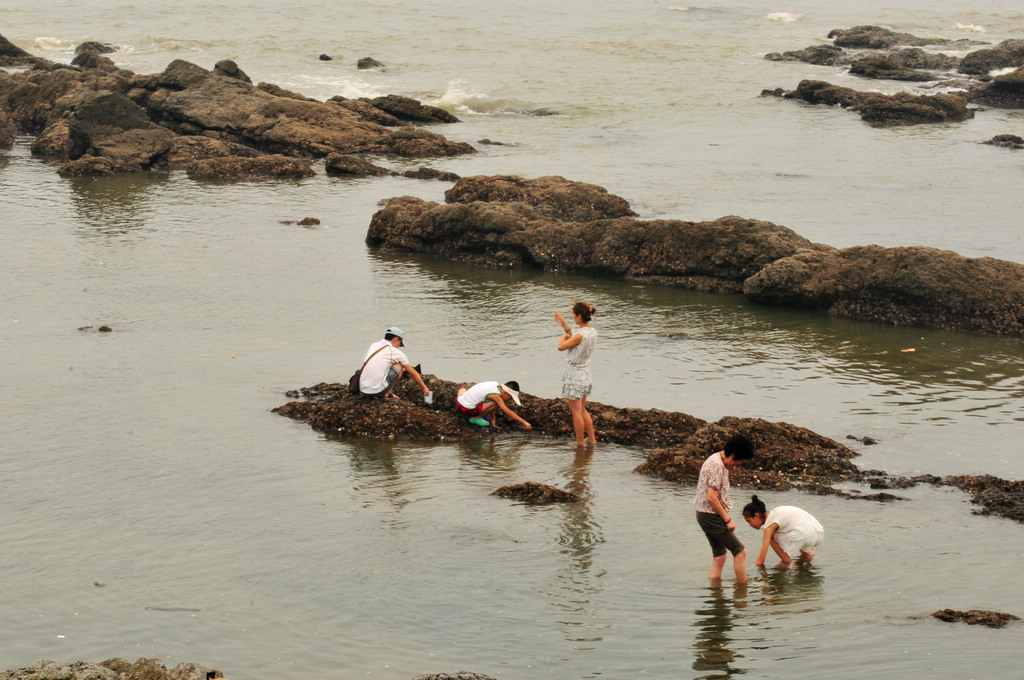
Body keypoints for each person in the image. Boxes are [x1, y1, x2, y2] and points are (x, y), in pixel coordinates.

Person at [694, 433, 756, 583]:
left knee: (720, 556)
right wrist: (727, 520)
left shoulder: (716, 458)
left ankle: (715, 591)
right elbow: (712, 497)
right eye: (739, 461)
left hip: (704, 514)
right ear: (733, 454)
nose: (737, 465)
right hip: (710, 515)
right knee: (740, 551)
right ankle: (742, 591)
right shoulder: (717, 465)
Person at [554, 301, 597, 447]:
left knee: (576, 412)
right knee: (583, 409)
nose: (573, 318)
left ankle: (580, 443)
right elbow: (574, 335)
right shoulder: (592, 332)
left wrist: (563, 337)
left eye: (573, 315)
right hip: (585, 373)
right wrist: (563, 323)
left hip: (575, 376)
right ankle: (591, 439)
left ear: (579, 316)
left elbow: (561, 347)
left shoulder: (579, 335)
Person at [742, 496, 824, 566]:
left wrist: (751, 568)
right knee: (791, 530)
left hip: (804, 533)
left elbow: (761, 560)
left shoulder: (768, 527)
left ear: (756, 516)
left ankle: (786, 561)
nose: (750, 525)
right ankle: (810, 555)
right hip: (818, 532)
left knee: (770, 537)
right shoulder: (776, 512)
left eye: (749, 521)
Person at [358, 326, 431, 400]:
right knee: (399, 365)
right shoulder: (394, 351)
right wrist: (424, 387)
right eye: (400, 343)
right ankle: (388, 393)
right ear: (396, 339)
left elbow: (365, 363)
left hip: (363, 389)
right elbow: (413, 373)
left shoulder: (374, 345)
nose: (398, 347)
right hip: (377, 391)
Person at [455, 380, 532, 430]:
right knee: (497, 403)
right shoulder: (496, 396)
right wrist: (524, 422)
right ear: (505, 392)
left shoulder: (495, 384)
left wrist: (493, 419)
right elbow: (507, 411)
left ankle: (472, 410)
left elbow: (491, 401)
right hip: (467, 410)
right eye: (510, 397)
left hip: (459, 403)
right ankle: (475, 418)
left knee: (462, 390)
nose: (509, 400)